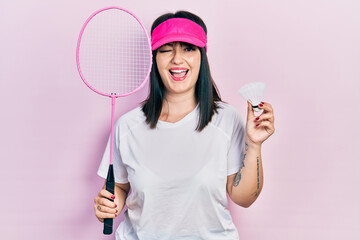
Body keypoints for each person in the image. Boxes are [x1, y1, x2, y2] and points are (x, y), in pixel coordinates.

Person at [94, 10, 275, 240]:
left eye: (188, 48)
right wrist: (108, 204)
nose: (177, 59)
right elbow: (119, 189)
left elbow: (243, 198)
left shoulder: (226, 119)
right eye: (166, 49)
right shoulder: (127, 126)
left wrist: (254, 144)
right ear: (154, 58)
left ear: (202, 56)